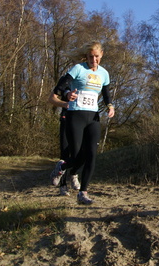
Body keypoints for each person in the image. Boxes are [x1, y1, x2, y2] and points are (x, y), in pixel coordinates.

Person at [48, 42, 115, 204]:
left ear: (101, 55)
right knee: (77, 154)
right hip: (75, 115)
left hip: (93, 117)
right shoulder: (78, 69)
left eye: (97, 56)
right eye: (91, 57)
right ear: (86, 56)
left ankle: (83, 193)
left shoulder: (104, 73)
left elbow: (106, 93)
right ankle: (62, 167)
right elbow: (59, 87)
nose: (94, 60)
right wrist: (67, 93)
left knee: (91, 154)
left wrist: (110, 106)